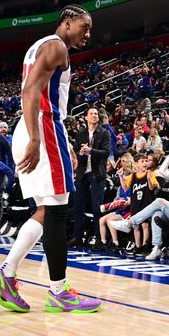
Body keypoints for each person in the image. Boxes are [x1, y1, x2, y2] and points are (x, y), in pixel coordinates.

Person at [0, 5, 101, 314]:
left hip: (35, 126)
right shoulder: (57, 46)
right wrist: (38, 138)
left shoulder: (41, 46)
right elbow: (30, 90)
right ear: (66, 22)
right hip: (43, 126)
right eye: (83, 26)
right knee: (60, 211)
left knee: (47, 210)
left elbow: (35, 89)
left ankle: (6, 275)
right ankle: (58, 291)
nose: (87, 33)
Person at [69, 106, 111, 247]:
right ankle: (77, 237)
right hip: (82, 173)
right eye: (91, 114)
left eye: (96, 114)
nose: (94, 116)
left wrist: (90, 150)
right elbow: (75, 153)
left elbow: (106, 152)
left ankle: (99, 239)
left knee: (96, 207)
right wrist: (81, 154)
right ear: (85, 117)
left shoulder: (104, 133)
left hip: (97, 174)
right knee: (77, 206)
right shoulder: (81, 134)